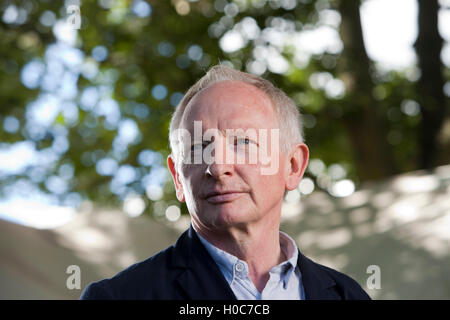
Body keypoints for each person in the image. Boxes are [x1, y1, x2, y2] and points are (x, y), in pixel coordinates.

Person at [80, 65, 371, 300]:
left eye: (243, 142)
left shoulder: (349, 295)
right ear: (178, 178)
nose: (217, 166)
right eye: (197, 148)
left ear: (293, 166)